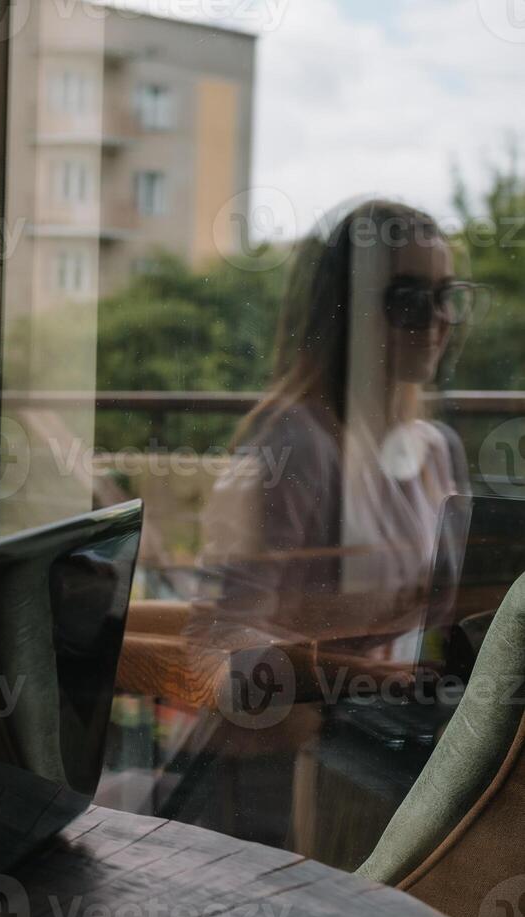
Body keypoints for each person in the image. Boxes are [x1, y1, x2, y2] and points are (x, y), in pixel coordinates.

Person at [185, 199, 482, 661]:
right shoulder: (297, 446)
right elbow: (220, 637)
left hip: (390, 710)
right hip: (301, 721)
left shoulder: (437, 450)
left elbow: (450, 615)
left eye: (447, 297)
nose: (437, 320)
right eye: (408, 300)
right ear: (348, 311)